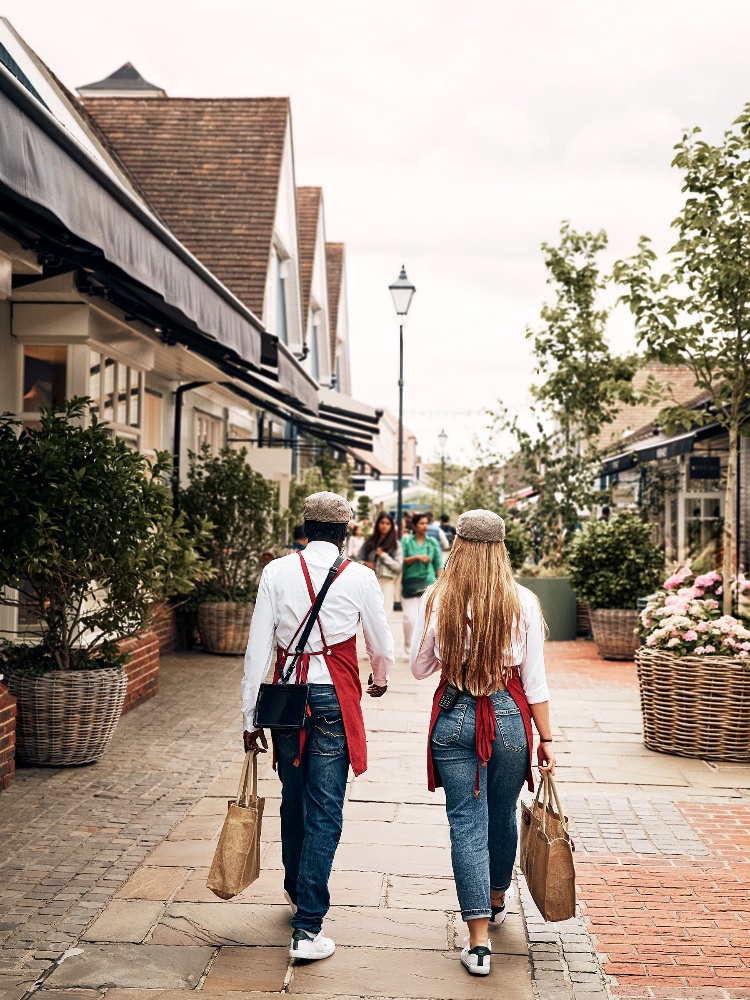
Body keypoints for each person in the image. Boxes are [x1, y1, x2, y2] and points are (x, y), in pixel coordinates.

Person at [242, 492, 395, 962]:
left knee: (294, 797)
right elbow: (382, 645)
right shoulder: (361, 577)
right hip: (333, 699)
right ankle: (308, 928)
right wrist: (380, 679)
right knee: (325, 809)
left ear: (304, 528)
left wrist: (249, 717)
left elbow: (257, 650)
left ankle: (294, 888)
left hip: (287, 702)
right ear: (346, 531)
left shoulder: (276, 572)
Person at [410, 509, 555, 979]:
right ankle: (496, 899)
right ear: (501, 548)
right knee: (501, 812)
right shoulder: (524, 602)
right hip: (510, 717)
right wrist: (547, 739)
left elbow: (419, 666)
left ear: (457, 545)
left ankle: (477, 943)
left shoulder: (439, 598)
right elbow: (534, 680)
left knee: (466, 824)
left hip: (454, 717)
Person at [401, 513, 442, 652]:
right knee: (409, 618)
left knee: (428, 618)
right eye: (421, 523)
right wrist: (416, 557)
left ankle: (423, 648)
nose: (425, 526)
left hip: (429, 583)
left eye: (426, 523)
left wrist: (442, 584)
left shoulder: (432, 542)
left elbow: (438, 565)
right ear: (414, 525)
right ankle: (409, 645)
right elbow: (402, 559)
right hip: (410, 583)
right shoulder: (406, 541)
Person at [357, 511, 403, 612]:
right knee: (369, 614)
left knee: (384, 614)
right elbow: (357, 559)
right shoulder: (369, 542)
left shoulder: (395, 545)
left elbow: (398, 566)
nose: (384, 526)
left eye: (387, 523)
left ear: (391, 526)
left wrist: (383, 555)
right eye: (382, 523)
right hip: (369, 582)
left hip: (387, 582)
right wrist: (365, 563)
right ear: (377, 524)